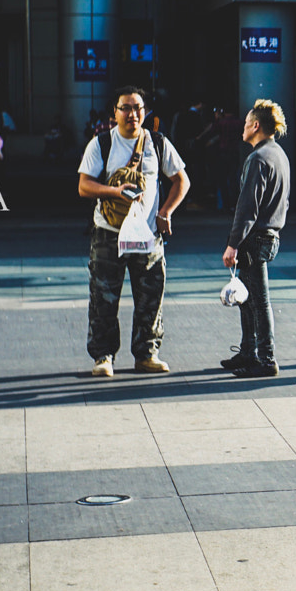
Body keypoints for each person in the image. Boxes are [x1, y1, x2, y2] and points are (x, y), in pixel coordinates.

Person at [77, 86, 190, 376]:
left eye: (138, 108)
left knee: (150, 296)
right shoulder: (101, 144)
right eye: (125, 108)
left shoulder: (158, 143)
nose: (132, 114)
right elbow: (84, 185)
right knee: (103, 297)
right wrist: (115, 191)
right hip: (108, 234)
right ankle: (103, 356)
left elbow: (181, 181)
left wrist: (165, 212)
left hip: (148, 235)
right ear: (114, 113)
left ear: (145, 112)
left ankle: (146, 354)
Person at [220, 100, 292, 379]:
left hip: (255, 237)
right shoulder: (278, 154)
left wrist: (233, 243)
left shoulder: (258, 158)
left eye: (247, 122)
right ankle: (249, 352)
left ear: (256, 126)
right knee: (248, 299)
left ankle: (266, 358)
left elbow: (247, 207)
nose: (243, 127)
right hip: (271, 233)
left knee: (259, 301)